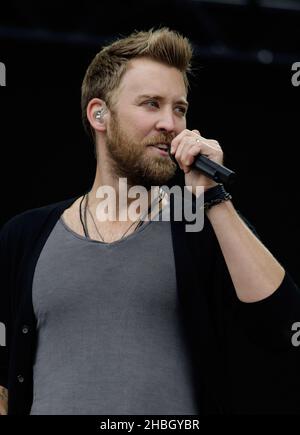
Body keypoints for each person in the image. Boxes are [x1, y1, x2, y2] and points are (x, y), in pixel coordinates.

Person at [0, 28, 300, 416]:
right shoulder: (25, 236)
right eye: (151, 104)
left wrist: (213, 197)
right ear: (99, 114)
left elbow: (284, 326)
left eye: (179, 108)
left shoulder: (198, 226)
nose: (170, 123)